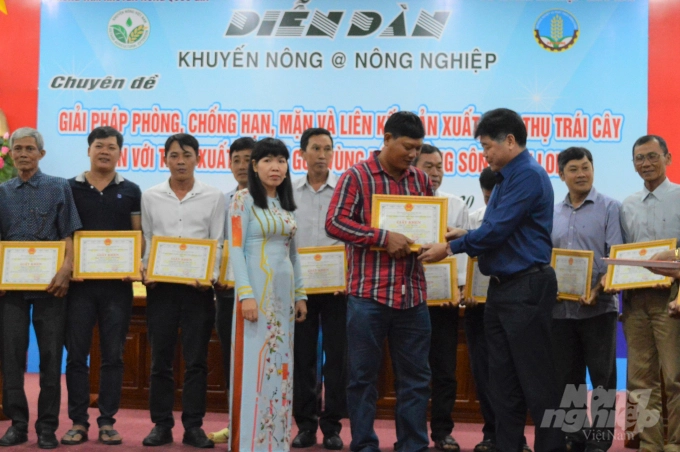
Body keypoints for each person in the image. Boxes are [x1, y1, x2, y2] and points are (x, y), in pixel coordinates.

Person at [420, 108, 565, 452]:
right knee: (502, 382)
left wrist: (452, 246)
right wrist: (466, 233)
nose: (484, 154)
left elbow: (498, 231)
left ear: (510, 141)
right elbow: (495, 229)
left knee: (538, 382)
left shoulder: (527, 174)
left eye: (487, 146)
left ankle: (553, 447)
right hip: (501, 290)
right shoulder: (504, 177)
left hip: (527, 287)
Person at [325, 111, 433, 452]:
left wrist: (436, 241)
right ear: (386, 139)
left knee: (416, 381)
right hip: (368, 296)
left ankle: (412, 445)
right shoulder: (356, 176)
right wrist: (382, 236)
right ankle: (364, 445)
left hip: (413, 296)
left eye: (417, 148)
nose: (413, 155)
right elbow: (335, 223)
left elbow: (427, 225)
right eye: (407, 146)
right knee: (361, 379)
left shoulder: (420, 180)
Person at [140, 133, 225, 449]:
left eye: (186, 155)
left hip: (198, 291)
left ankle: (193, 427)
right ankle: (161, 425)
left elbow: (217, 243)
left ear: (197, 159)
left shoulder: (214, 197)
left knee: (196, 361)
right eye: (174, 155)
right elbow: (148, 238)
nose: (180, 161)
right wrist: (146, 269)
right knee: (159, 360)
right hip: (161, 289)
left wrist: (210, 276)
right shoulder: (151, 196)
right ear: (165, 159)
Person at [0, 127, 82, 449]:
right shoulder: (2, 191)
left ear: (41, 154)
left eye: (29, 149)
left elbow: (70, 233)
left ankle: (47, 427)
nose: (23, 154)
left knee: (50, 358)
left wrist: (66, 269)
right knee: (11, 358)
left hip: (52, 287)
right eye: (17, 148)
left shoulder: (59, 187)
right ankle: (17, 424)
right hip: (12, 290)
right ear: (11, 154)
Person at [61, 126, 142, 446]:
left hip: (117, 288)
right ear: (88, 150)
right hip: (79, 286)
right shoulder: (68, 188)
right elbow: (64, 232)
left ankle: (107, 421)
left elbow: (138, 234)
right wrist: (68, 266)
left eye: (111, 146)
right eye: (99, 146)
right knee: (77, 356)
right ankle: (78, 422)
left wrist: (136, 264)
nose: (104, 151)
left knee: (113, 355)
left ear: (120, 152)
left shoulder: (132, 190)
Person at [228, 137, 308, 452]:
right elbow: (236, 251)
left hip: (284, 299)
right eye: (267, 160)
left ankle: (274, 443)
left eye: (281, 161)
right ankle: (250, 444)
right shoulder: (242, 200)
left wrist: (300, 295)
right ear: (255, 166)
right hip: (256, 298)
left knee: (280, 368)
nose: (275, 167)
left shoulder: (286, 206)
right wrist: (245, 295)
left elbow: (294, 254)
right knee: (254, 369)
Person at [551, 147, 622, 452]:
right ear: (561, 174)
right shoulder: (552, 212)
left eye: (586, 167)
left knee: (603, 376)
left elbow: (615, 256)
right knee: (568, 377)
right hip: (560, 309)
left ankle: (602, 436)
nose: (581, 174)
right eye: (574, 169)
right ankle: (574, 433)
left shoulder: (610, 207)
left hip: (599, 307)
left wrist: (597, 290)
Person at [618, 135, 680, 451]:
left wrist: (676, 257)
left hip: (672, 300)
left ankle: (676, 443)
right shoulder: (626, 205)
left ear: (667, 158)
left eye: (653, 156)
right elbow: (622, 253)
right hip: (636, 299)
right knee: (641, 381)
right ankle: (651, 444)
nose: (646, 163)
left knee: (675, 378)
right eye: (640, 158)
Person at [291, 128, 347, 450]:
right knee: (302, 358)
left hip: (338, 289)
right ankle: (306, 425)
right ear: (303, 154)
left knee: (336, 359)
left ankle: (332, 426)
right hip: (300, 289)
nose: (322, 154)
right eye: (315, 148)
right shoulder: (289, 191)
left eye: (327, 148)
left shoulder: (344, 188)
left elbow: (356, 235)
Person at [413, 144, 468, 451]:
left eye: (439, 167)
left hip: (443, 301)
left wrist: (458, 287)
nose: (435, 174)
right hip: (408, 300)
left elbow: (460, 250)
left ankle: (442, 431)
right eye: (428, 167)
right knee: (412, 372)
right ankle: (411, 432)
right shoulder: (400, 202)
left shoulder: (455, 203)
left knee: (445, 369)